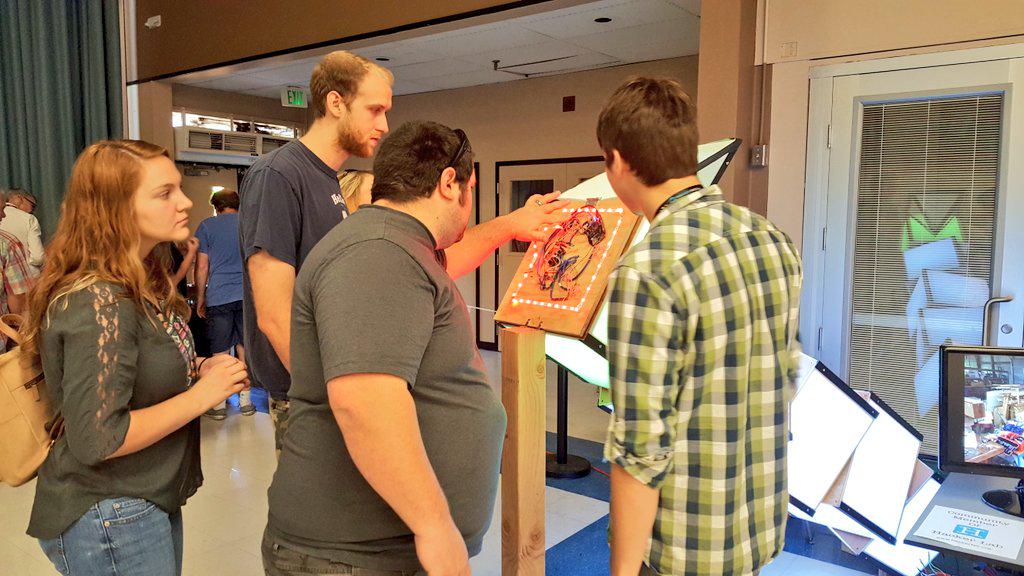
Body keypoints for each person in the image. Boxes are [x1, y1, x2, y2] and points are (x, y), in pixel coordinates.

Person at [240, 49, 566, 456]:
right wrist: (338, 401)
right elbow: (274, 313)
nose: (384, 125)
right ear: (335, 103)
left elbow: (427, 263)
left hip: (353, 385)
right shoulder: (279, 175)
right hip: (318, 399)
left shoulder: (332, 181)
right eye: (375, 110)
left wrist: (510, 224)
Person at [263, 120, 504, 576]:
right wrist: (436, 526)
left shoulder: (399, 244)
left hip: (372, 551)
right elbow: (365, 402)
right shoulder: (378, 250)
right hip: (353, 557)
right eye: (471, 187)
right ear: (449, 183)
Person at [597, 77, 803, 576]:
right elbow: (786, 377)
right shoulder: (772, 238)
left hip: (683, 549)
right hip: (757, 526)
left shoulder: (646, 270)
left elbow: (640, 449)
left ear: (619, 161)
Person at [22, 140, 250, 576]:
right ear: (115, 208)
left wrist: (200, 366)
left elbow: (140, 367)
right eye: (164, 193)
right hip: (110, 511)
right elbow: (99, 439)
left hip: (139, 501)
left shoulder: (138, 280)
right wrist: (204, 394)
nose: (184, 203)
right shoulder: (98, 299)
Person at [196, 189, 253, 418]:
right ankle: (246, 401)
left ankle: (219, 404)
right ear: (237, 205)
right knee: (243, 348)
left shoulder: (207, 226)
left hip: (219, 297)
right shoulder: (248, 223)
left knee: (220, 350)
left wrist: (200, 297)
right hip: (246, 296)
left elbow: (202, 267)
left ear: (215, 207)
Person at [0, 193, 35, 317]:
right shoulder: (7, 243)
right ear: (19, 198)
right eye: (1, 209)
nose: (4, 215)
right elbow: (18, 297)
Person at [0, 187, 44, 273]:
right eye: (32, 205)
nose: (32, 210)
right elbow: (38, 257)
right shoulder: (29, 219)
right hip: (25, 277)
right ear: (19, 198)